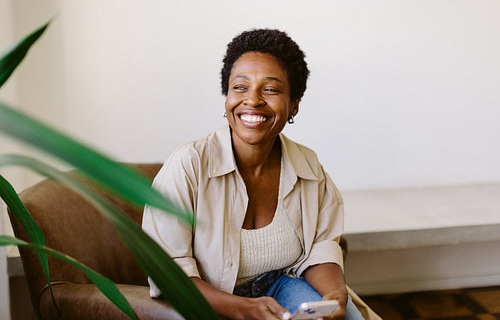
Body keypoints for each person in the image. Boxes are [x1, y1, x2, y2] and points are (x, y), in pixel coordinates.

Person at [142, 29, 379, 320]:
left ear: (293, 105)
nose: (252, 100)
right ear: (227, 97)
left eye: (271, 89)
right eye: (240, 87)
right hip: (211, 301)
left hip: (281, 287)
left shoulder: (307, 165)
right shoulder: (188, 165)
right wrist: (244, 308)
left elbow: (320, 248)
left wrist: (335, 295)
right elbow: (168, 273)